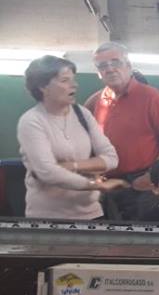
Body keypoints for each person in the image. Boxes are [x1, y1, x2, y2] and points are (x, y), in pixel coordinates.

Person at [16, 55, 126, 220]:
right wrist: (95, 185)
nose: (74, 85)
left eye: (73, 79)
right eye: (65, 80)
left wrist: (71, 166)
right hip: (48, 217)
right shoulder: (31, 121)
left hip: (92, 213)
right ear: (43, 87)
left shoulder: (83, 113)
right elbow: (47, 172)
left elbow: (111, 158)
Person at [84, 41, 159, 220]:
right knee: (105, 236)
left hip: (140, 187)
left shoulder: (151, 96)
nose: (110, 69)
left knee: (141, 236)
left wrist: (152, 176)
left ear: (128, 65)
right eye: (103, 66)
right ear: (98, 72)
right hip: (105, 185)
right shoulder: (94, 102)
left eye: (115, 62)